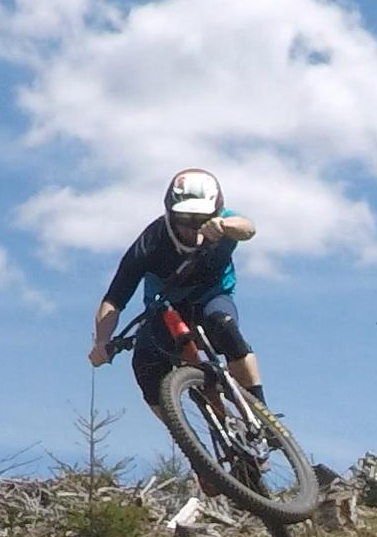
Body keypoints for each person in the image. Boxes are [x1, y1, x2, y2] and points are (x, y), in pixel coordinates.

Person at [88, 168, 264, 416]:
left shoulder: (224, 224)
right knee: (145, 366)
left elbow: (249, 228)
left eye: (201, 219)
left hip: (212, 297)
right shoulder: (150, 243)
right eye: (184, 219)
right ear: (170, 214)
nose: (193, 227)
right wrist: (101, 341)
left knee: (224, 326)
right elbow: (114, 300)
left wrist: (224, 225)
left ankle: (259, 414)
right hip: (166, 309)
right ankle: (185, 440)